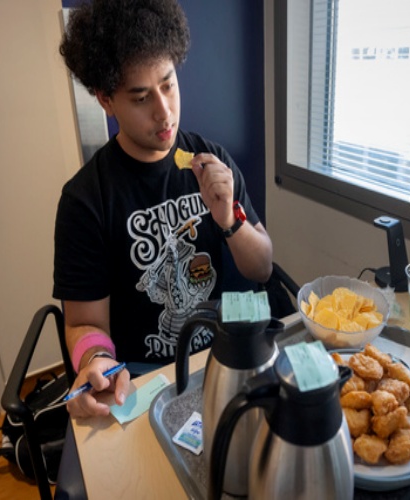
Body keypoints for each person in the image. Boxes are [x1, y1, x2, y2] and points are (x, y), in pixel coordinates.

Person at [54, 0, 273, 418]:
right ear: (106, 99)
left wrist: (229, 220)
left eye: (169, 84)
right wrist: (94, 360)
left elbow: (262, 267)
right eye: (141, 97)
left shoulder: (211, 160)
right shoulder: (86, 200)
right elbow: (85, 324)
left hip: (221, 360)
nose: (164, 111)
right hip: (141, 379)